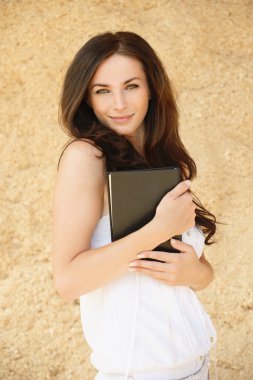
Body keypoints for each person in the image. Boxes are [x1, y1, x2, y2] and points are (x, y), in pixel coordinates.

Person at [52, 31, 217, 380]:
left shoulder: (164, 159)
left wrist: (192, 273)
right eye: (102, 91)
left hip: (197, 366)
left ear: (152, 88)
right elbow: (67, 280)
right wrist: (156, 231)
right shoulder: (86, 158)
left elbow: (201, 275)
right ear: (86, 98)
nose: (120, 104)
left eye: (131, 86)